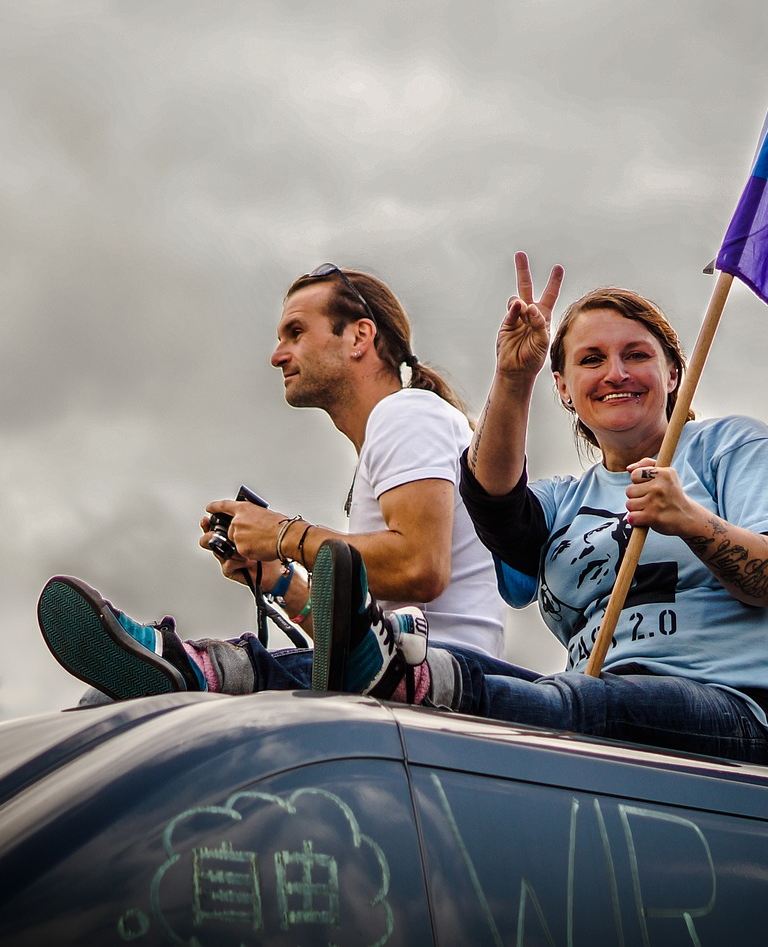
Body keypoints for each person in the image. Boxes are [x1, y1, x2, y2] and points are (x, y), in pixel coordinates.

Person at [308, 255, 768, 769]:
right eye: (591, 360)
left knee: (570, 699)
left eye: (636, 355)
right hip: (595, 707)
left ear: (673, 373)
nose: (615, 373)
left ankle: (414, 686)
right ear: (561, 385)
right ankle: (243, 671)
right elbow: (496, 506)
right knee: (488, 674)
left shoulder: (733, 445)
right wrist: (514, 376)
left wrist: (693, 522)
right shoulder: (565, 497)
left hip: (753, 715)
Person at [35, 264, 505, 699]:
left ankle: (184, 660)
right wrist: (281, 582)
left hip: (446, 679)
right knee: (109, 697)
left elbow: (421, 567)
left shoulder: (407, 413)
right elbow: (364, 644)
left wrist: (282, 535)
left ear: (360, 335)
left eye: (296, 333)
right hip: (399, 677)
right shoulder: (393, 434)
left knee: (176, 683)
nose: (278, 355)